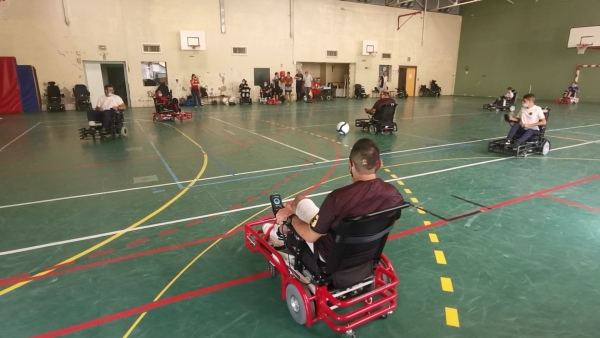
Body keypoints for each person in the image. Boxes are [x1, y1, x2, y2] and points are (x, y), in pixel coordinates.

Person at [262, 138, 404, 262]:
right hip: (367, 253)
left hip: (330, 256)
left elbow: (310, 237)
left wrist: (290, 216)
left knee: (300, 200)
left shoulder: (337, 198)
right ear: (379, 164)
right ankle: (280, 231)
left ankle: (279, 232)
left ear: (350, 165)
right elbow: (391, 223)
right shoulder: (394, 195)